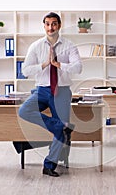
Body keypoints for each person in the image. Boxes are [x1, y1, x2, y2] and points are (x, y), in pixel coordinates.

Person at [18, 12, 82, 177]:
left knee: (59, 131)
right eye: (47, 24)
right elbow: (25, 71)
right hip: (42, 90)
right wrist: (45, 64)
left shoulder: (69, 45)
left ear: (59, 25)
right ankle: (61, 126)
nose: (50, 27)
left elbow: (78, 68)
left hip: (61, 91)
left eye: (54, 24)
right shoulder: (36, 46)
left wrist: (58, 64)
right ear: (44, 26)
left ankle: (49, 166)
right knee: (24, 111)